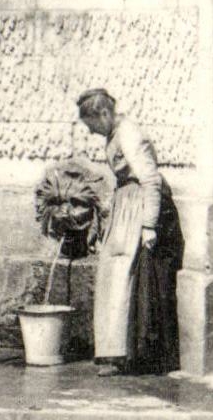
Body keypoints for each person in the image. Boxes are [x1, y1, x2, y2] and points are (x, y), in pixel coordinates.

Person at [76, 87, 182, 376]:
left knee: (125, 277)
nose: (91, 131)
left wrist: (149, 225)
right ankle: (114, 351)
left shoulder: (130, 134)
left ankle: (123, 354)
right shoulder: (114, 135)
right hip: (126, 206)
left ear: (103, 113)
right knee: (112, 274)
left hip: (139, 208)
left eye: (91, 124)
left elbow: (151, 180)